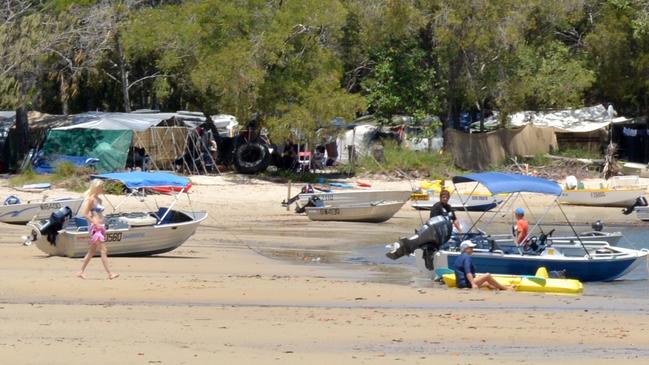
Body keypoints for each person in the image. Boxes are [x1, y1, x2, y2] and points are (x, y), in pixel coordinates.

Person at [385, 189, 458, 260]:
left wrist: (459, 230)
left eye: (447, 197)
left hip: (443, 234)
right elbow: (433, 219)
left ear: (449, 198)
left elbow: (454, 219)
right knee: (417, 241)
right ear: (440, 197)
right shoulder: (437, 206)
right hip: (432, 231)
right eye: (443, 197)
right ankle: (399, 247)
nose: (445, 199)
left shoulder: (449, 207)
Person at [76, 179, 119, 280]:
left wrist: (103, 223)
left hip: (101, 226)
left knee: (92, 251)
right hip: (95, 227)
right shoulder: (91, 199)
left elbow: (100, 213)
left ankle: (80, 271)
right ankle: (110, 274)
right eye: (101, 186)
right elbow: (85, 214)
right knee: (103, 250)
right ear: (96, 187)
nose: (102, 188)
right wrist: (95, 222)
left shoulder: (99, 200)